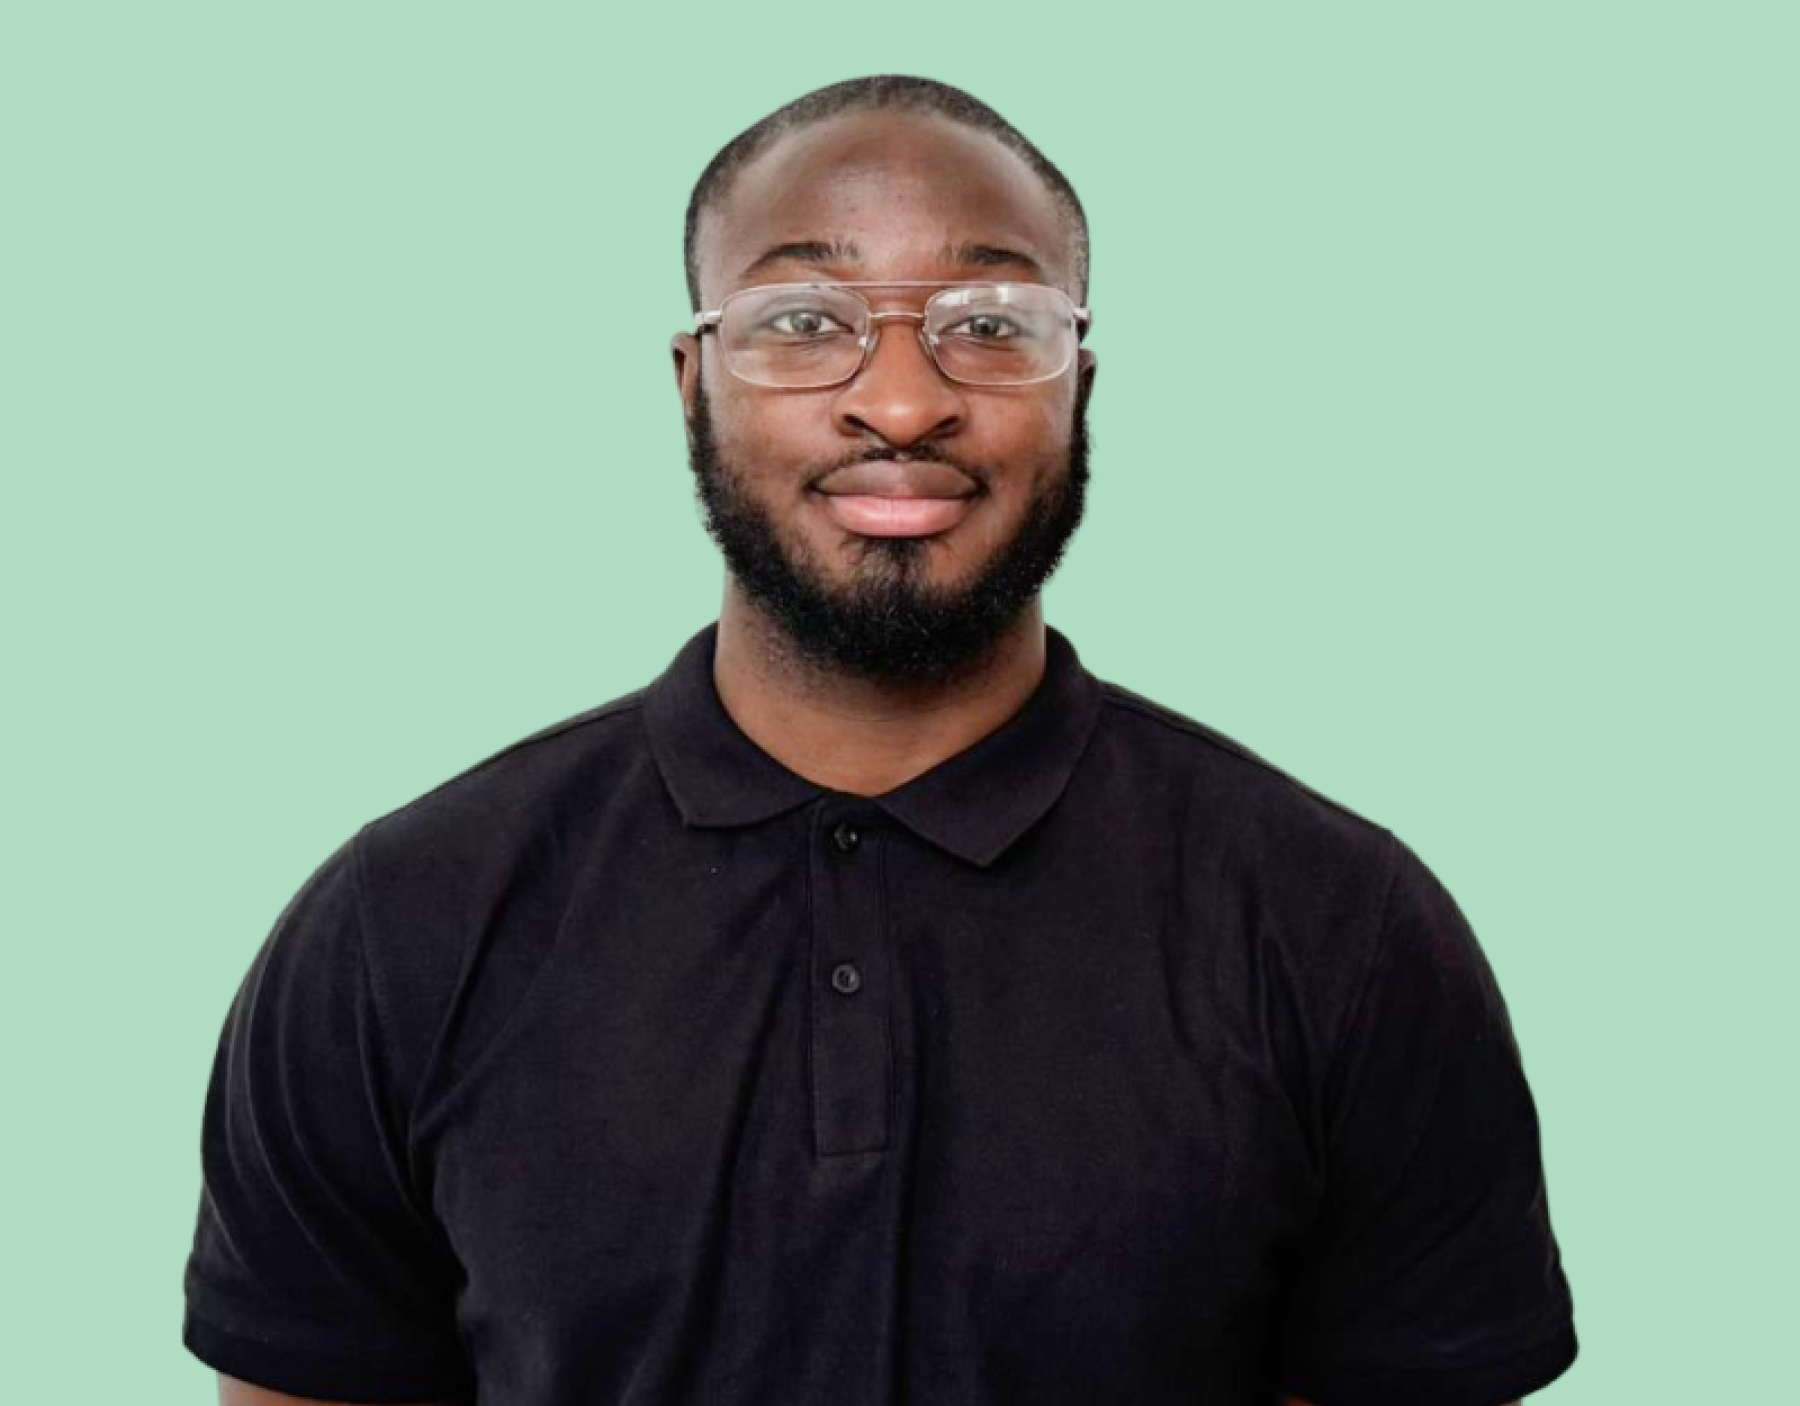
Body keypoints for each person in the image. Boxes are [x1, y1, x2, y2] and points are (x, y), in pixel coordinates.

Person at [183, 76, 1577, 1406]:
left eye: (991, 322)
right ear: (693, 381)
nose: (903, 403)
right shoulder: (401, 925)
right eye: (803, 319)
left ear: (1080, 384)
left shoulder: (1339, 926)